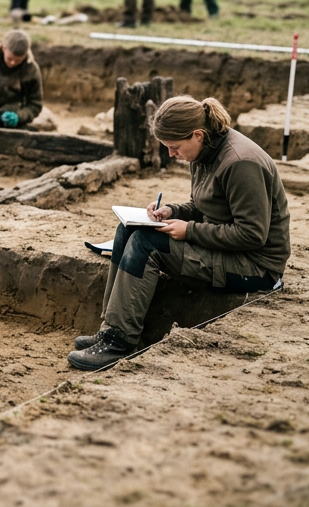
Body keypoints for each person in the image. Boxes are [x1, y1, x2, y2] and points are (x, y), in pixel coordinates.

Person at [68, 96, 290, 371]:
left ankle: (119, 343)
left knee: (147, 243)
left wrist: (190, 231)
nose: (172, 155)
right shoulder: (205, 148)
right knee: (128, 230)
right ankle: (110, 329)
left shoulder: (240, 162)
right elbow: (204, 206)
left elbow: (252, 235)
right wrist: (173, 211)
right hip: (228, 251)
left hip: (255, 266)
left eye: (174, 147)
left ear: (197, 134)